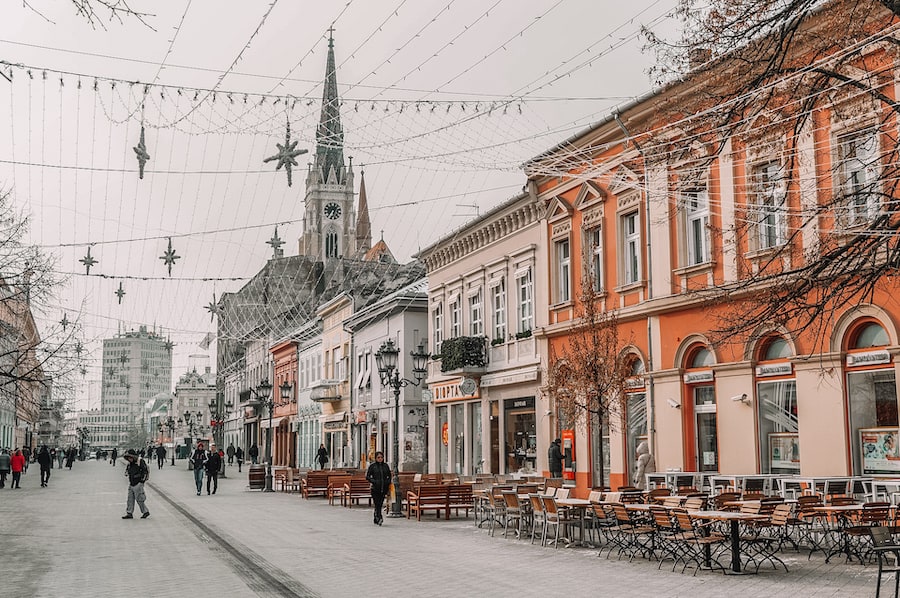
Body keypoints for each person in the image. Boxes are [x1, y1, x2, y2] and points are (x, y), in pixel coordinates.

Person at [121, 449, 150, 519]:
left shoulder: (140, 461)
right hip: (131, 483)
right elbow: (127, 471)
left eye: (130, 457)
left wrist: (142, 482)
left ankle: (145, 512)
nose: (129, 459)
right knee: (130, 499)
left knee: (139, 499)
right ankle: (129, 513)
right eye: (128, 458)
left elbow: (145, 471)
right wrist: (127, 473)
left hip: (138, 483)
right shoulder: (129, 464)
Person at [365, 451, 391, 526]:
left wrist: (387, 482)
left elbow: (389, 475)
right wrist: (374, 481)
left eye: (381, 457)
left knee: (380, 503)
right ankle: (379, 517)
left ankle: (376, 517)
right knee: (377, 504)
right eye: (378, 457)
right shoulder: (372, 466)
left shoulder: (385, 466)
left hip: (383, 488)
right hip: (375, 488)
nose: (380, 459)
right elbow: (367, 476)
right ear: (376, 458)